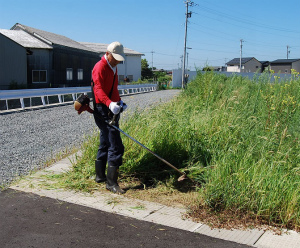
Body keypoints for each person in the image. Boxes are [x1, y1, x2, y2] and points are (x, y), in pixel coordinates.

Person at [92, 41, 127, 194]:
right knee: (116, 145)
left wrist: (119, 102)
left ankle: (100, 176)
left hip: (110, 106)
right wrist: (108, 103)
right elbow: (98, 89)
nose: (118, 61)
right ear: (108, 54)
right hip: (101, 108)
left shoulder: (113, 67)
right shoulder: (100, 67)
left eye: (119, 58)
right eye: (116, 58)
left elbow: (114, 88)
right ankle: (111, 183)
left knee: (105, 141)